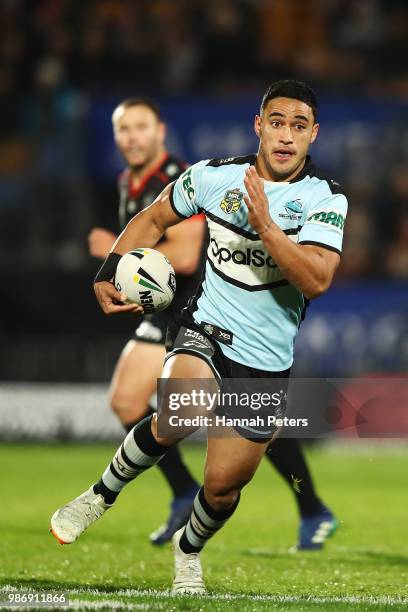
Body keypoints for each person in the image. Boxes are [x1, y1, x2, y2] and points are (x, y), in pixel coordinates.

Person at [51, 80, 347, 595]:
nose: (285, 136)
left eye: (299, 127)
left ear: (313, 135)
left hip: (266, 360)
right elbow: (153, 218)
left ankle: (187, 549)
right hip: (204, 327)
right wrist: (108, 269)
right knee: (181, 408)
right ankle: (99, 496)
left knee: (223, 487)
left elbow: (317, 279)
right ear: (259, 125)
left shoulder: (324, 199)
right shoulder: (212, 177)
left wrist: (267, 228)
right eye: (276, 122)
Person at [88, 97, 205, 544]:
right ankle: (183, 490)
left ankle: (310, 505)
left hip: (195, 307)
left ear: (160, 132)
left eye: (141, 127)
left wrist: (113, 257)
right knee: (126, 401)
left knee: (244, 416)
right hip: (166, 309)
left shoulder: (176, 179)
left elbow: (187, 253)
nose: (132, 137)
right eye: (124, 129)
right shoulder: (128, 181)